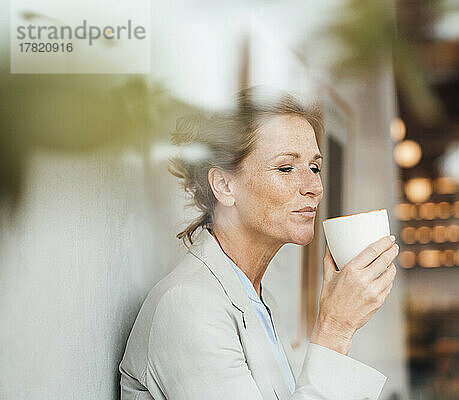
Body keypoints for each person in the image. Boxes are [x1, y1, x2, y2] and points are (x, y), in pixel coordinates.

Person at [118, 87, 399, 400]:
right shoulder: (188, 306)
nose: (315, 187)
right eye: (285, 167)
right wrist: (335, 327)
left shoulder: (263, 304)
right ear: (224, 185)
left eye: (314, 167)